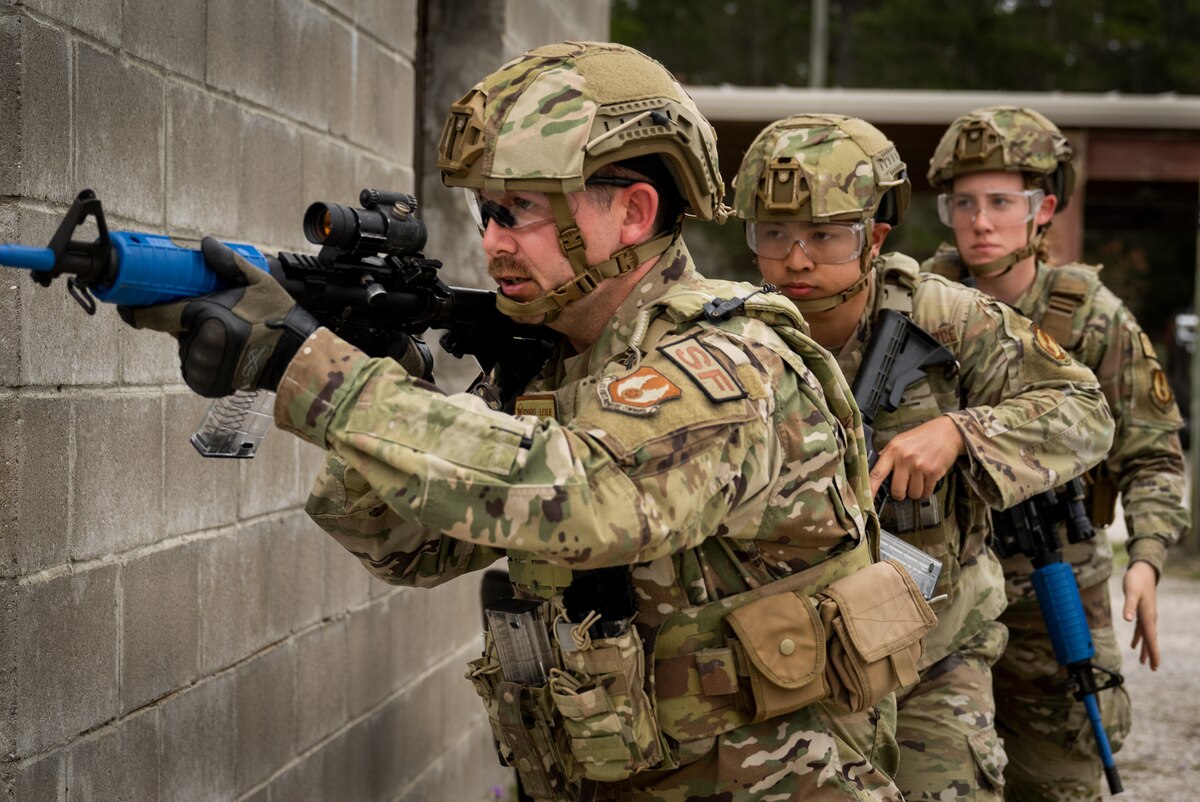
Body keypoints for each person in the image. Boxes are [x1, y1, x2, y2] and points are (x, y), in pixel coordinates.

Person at [122, 42, 940, 801]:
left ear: (633, 212)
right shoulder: (558, 363)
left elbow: (580, 496)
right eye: (486, 213)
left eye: (519, 211)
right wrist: (378, 364)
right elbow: (401, 545)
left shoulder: (730, 360)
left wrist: (313, 372)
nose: (493, 243)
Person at [731, 113, 1116, 801]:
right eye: (774, 235)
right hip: (790, 661)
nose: (796, 259)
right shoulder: (730, 335)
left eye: (825, 236)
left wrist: (963, 433)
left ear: (874, 238)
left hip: (934, 652)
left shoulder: (946, 316)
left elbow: (1085, 412)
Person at [924, 105, 1190, 802]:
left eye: (1001, 203)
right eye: (965, 203)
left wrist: (1148, 558)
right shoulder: (913, 306)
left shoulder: (1091, 317)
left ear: (1043, 209)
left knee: (1060, 774)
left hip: (1055, 581)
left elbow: (1154, 453)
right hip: (936, 583)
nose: (981, 222)